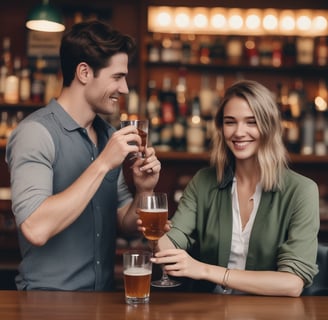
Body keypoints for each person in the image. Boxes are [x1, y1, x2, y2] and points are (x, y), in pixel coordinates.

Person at [5, 21, 161, 291]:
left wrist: (144, 190)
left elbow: (125, 222)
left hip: (102, 301)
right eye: (117, 77)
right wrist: (103, 163)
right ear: (84, 72)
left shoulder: (107, 134)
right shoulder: (35, 133)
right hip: (47, 305)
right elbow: (35, 228)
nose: (124, 88)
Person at [148, 80, 319, 297]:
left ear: (270, 126)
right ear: (220, 128)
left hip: (271, 313)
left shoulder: (302, 191)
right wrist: (150, 219)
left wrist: (205, 270)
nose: (239, 132)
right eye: (230, 122)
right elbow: (170, 248)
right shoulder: (204, 182)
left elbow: (292, 284)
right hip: (210, 311)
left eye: (251, 122)